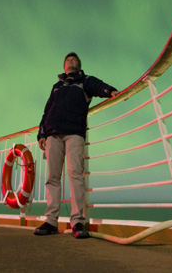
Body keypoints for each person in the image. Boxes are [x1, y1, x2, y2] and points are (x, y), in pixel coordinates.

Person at [33, 52, 119, 238]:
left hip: (74, 134)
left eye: (74, 60)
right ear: (64, 66)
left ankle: (78, 222)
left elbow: (99, 87)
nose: (71, 61)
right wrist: (42, 133)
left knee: (75, 175)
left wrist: (110, 91)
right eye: (68, 60)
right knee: (52, 178)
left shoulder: (85, 81)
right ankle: (51, 221)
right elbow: (47, 110)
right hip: (53, 135)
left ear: (78, 65)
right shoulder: (56, 87)